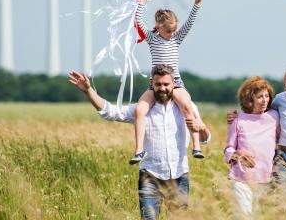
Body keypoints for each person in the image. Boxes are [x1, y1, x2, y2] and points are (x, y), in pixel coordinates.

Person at [68, 65, 209, 220]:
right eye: (158, 84)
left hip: (179, 175)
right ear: (152, 84)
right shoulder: (142, 109)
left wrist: (201, 128)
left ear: (173, 84)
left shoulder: (188, 107)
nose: (162, 88)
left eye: (166, 84)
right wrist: (88, 90)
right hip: (150, 176)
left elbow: (205, 139)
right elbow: (111, 112)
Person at [130, 0, 208, 165]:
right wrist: (142, 3)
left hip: (176, 82)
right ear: (158, 26)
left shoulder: (176, 38)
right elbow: (138, 22)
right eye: (168, 31)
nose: (171, 34)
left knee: (187, 107)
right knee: (140, 110)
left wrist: (197, 2)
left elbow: (190, 22)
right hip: (155, 83)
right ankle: (139, 150)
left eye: (173, 30)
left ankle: (196, 146)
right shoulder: (151, 38)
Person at [224, 76, 280, 218]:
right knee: (244, 216)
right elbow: (228, 148)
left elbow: (280, 141)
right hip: (241, 179)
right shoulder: (238, 121)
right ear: (250, 99)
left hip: (266, 179)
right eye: (260, 96)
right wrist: (238, 154)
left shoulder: (274, 116)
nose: (265, 100)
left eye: (267, 96)